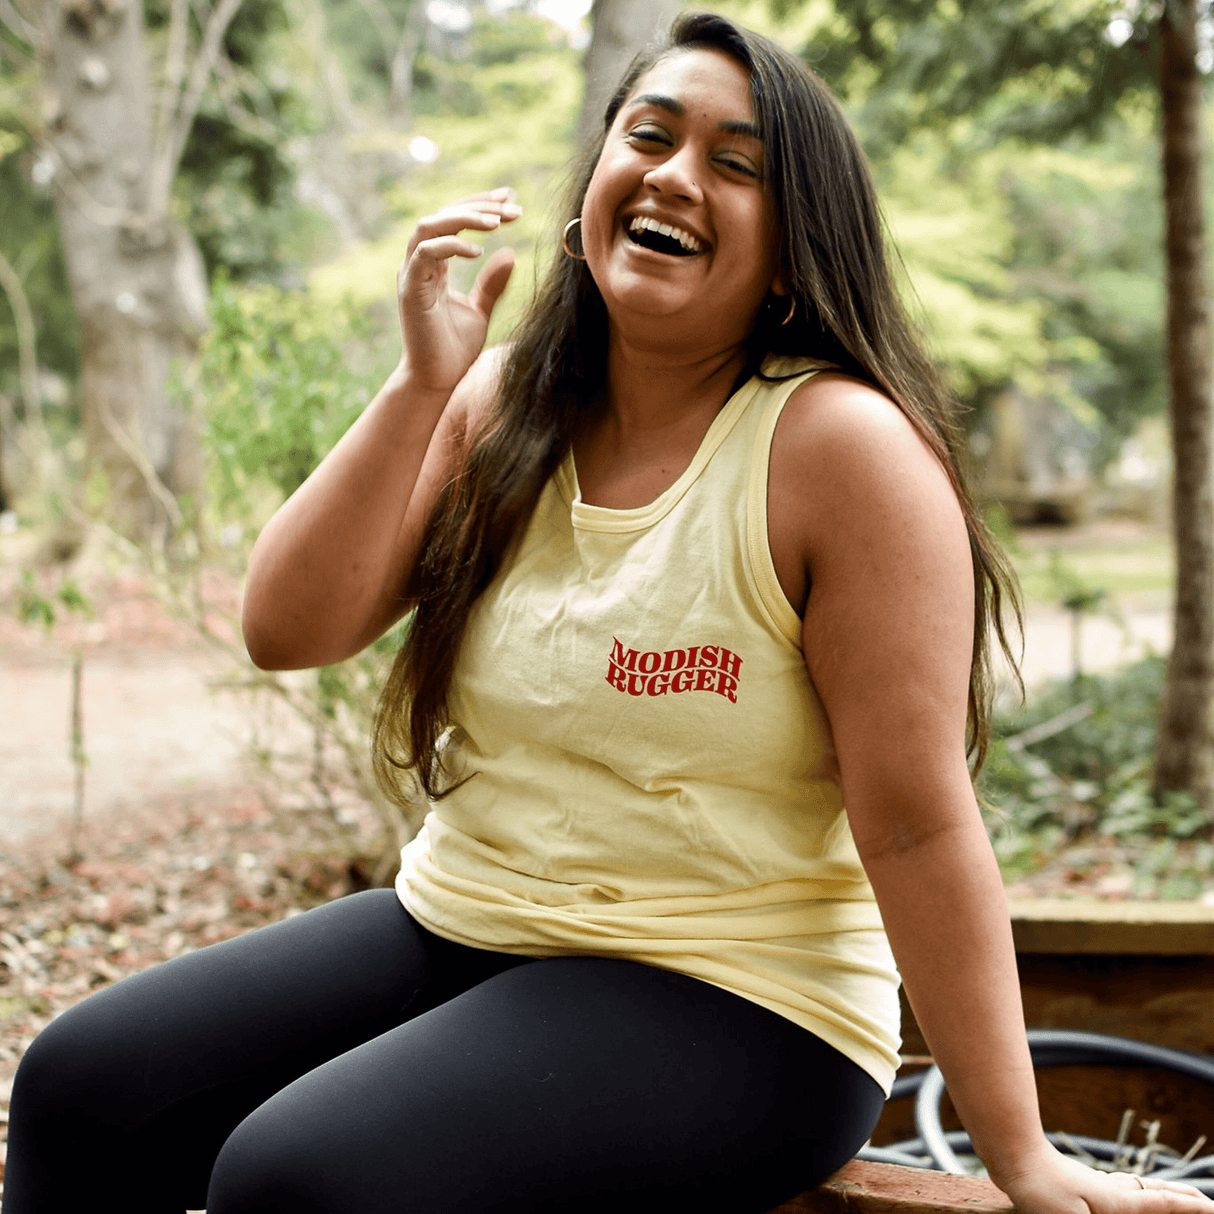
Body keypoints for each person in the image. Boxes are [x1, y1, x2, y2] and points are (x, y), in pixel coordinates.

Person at [5, 12, 1212, 1214]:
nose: (677, 175)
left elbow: (911, 823)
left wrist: (1020, 1154)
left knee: (297, 1179)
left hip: (741, 992)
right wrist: (421, 382)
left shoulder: (839, 451)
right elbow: (287, 627)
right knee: (81, 1087)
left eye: (736, 164)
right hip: (468, 918)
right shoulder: (503, 399)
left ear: (794, 252)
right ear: (595, 185)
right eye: (650, 134)